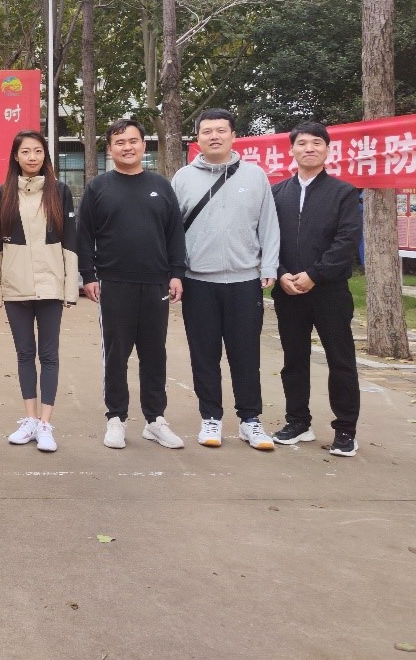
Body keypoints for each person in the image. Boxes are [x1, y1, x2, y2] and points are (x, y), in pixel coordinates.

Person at [172, 109, 279, 451]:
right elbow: (172, 231)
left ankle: (250, 420)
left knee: (245, 353)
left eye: (221, 130)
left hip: (244, 280)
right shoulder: (183, 178)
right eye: (207, 131)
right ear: (197, 138)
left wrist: (269, 265)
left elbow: (269, 223)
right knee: (204, 354)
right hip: (198, 282)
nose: (214, 136)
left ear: (234, 135)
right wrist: (175, 272)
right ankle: (211, 418)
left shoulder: (255, 176)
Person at [77, 119, 187, 450]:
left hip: (156, 284)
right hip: (114, 283)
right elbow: (84, 235)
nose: (128, 147)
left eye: (133, 141)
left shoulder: (161, 186)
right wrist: (88, 276)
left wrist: (176, 272)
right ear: (110, 149)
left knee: (155, 354)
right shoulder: (98, 188)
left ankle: (155, 420)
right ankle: (116, 418)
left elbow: (175, 233)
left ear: (143, 145)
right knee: (116, 354)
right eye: (120, 142)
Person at [270, 122, 363, 457]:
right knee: (294, 359)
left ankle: (346, 430)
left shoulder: (344, 193)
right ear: (291, 150)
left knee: (340, 360)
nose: (309, 148)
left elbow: (346, 241)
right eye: (302, 143)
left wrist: (314, 275)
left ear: (327, 150)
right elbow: (267, 239)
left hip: (330, 292)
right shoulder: (277, 193)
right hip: (288, 292)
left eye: (316, 143)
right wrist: (281, 274)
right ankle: (298, 422)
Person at [0, 130, 77, 453]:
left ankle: (46, 424)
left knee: (49, 355)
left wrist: (70, 287)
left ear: (45, 155)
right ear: (16, 156)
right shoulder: (2, 195)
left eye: (38, 151)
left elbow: (70, 242)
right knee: (25, 354)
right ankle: (31, 419)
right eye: (26, 151)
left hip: (51, 287)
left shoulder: (59, 192)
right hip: (16, 288)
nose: (32, 157)